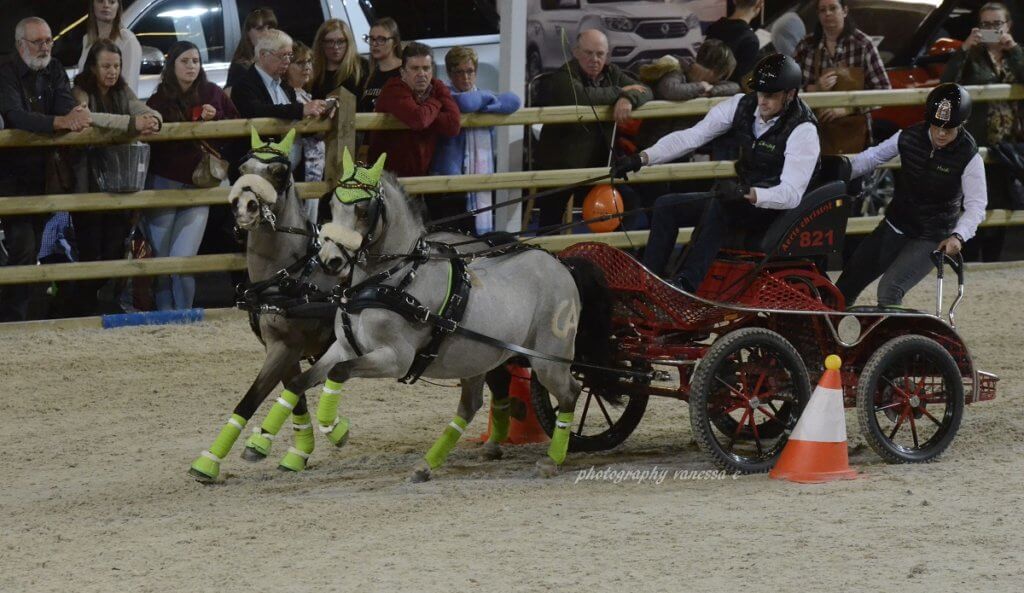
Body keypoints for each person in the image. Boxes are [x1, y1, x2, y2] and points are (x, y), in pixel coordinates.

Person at [612, 54, 820, 290]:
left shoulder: (803, 130)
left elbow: (791, 194)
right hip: (743, 198)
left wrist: (747, 193)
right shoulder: (741, 104)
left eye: (770, 95)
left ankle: (686, 285)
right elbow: (692, 136)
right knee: (666, 205)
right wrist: (641, 158)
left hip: (776, 208)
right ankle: (649, 281)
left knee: (723, 206)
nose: (762, 101)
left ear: (790, 94)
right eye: (760, 93)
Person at [834, 84, 986, 307]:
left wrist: (958, 236)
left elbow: (976, 206)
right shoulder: (908, 136)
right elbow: (872, 157)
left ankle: (892, 331)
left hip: (932, 235)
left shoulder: (970, 156)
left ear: (962, 123)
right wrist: (836, 173)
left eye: (949, 129)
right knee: (846, 284)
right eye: (936, 126)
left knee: (890, 290)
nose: (941, 133)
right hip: (896, 223)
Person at [0, 17, 91, 322]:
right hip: (9, 175)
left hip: (44, 173)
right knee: (23, 246)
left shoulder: (54, 69)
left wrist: (73, 115)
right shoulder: (5, 71)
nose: (45, 47)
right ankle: (13, 320)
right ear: (20, 45)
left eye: (48, 40)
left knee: (34, 245)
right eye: (37, 41)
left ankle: (22, 315)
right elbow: (15, 115)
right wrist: (59, 122)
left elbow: (65, 105)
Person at [145, 41, 239, 311]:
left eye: (195, 61)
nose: (191, 67)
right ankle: (165, 316)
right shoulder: (158, 99)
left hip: (200, 186)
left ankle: (186, 317)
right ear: (172, 65)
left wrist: (216, 117)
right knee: (162, 261)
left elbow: (237, 127)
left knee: (184, 260)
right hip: (163, 183)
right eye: (185, 61)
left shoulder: (213, 93)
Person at [71, 39, 162, 315]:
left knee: (114, 248)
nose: (112, 72)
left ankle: (97, 303)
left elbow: (143, 110)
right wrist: (132, 124)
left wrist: (154, 120)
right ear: (93, 67)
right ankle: (81, 307)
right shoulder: (79, 91)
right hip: (88, 183)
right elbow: (88, 118)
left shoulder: (122, 90)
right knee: (90, 250)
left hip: (119, 181)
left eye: (117, 66)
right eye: (106, 66)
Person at [534, 29, 652, 229]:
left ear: (607, 55)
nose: (595, 60)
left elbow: (646, 91)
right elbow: (582, 97)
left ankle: (615, 249)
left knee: (630, 203)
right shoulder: (562, 76)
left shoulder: (612, 72)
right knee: (549, 224)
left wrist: (627, 98)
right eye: (588, 53)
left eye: (600, 54)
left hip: (601, 165)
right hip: (561, 165)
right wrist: (620, 91)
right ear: (576, 52)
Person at [941, 1, 1022, 262]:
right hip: (978, 141)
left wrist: (1014, 49)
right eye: (986, 24)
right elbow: (946, 83)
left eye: (997, 24)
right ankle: (969, 259)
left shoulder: (1016, 55)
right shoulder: (972, 56)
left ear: (1008, 25)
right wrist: (964, 48)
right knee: (974, 203)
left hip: (1009, 144)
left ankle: (992, 259)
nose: (992, 29)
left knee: (1002, 204)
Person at [430, 46, 521, 235]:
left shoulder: (481, 98)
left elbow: (514, 101)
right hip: (449, 182)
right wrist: (490, 102)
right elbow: (467, 103)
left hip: (478, 178)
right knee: (450, 237)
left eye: (470, 71)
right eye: (459, 72)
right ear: (450, 74)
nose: (466, 77)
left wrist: (484, 104)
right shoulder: (445, 96)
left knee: (476, 240)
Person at [368, 42, 461, 222]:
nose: (422, 74)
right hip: (386, 183)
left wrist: (426, 111)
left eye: (426, 68)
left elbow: (453, 125)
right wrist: (436, 103)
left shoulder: (436, 86)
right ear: (403, 72)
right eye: (415, 68)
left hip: (418, 184)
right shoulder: (394, 89)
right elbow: (419, 120)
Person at [794, 0, 890, 154]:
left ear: (844, 11)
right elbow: (788, 91)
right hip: (814, 135)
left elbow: (883, 90)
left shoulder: (863, 45)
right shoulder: (806, 46)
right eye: (822, 10)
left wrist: (847, 109)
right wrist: (815, 88)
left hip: (854, 136)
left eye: (833, 8)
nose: (828, 13)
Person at [635, 40, 739, 152]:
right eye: (722, 75)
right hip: (653, 143)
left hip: (681, 147)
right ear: (714, 72)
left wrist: (710, 91)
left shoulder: (711, 84)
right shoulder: (676, 69)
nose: (720, 79)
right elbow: (670, 90)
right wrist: (700, 87)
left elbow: (735, 87)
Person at [287, 41, 326, 222]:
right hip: (300, 162)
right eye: (300, 63)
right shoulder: (288, 95)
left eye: (309, 61)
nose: (307, 67)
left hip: (314, 166)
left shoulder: (304, 93)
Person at [78, 0, 141, 94]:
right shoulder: (87, 39)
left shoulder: (128, 40)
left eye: (111, 2)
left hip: (116, 102)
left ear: (118, 7)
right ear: (92, 5)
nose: (106, 5)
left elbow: (129, 88)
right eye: (100, 1)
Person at [704, 0, 763, 85]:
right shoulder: (750, 40)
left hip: (702, 85)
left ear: (734, 1)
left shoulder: (715, 26)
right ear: (759, 4)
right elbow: (740, 82)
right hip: (726, 91)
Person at [310, 19, 368, 101]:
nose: (335, 47)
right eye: (330, 42)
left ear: (348, 42)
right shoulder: (312, 69)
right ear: (321, 43)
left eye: (341, 41)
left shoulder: (361, 67)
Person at [225, 7, 278, 94]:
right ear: (248, 33)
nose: (267, 33)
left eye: (270, 28)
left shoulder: (280, 61)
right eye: (260, 29)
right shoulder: (241, 68)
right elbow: (229, 96)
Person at [358, 17, 403, 113]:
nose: (374, 44)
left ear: (395, 42)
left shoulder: (405, 71)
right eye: (371, 39)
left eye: (381, 39)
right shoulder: (368, 73)